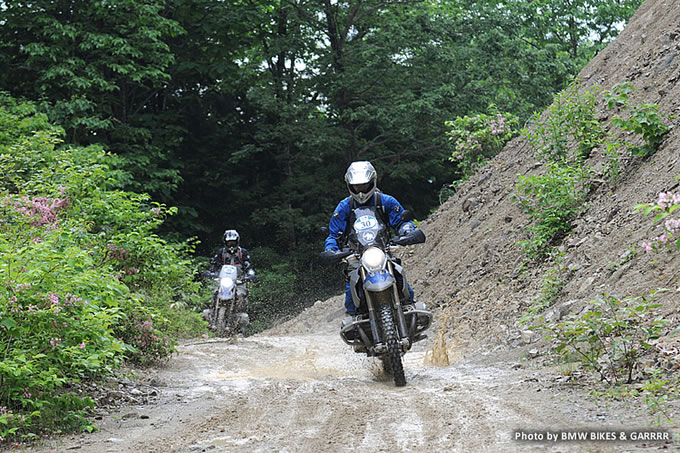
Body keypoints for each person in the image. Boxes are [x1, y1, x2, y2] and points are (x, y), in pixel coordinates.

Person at [324, 161, 415, 315]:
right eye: (356, 186)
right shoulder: (344, 207)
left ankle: (411, 308)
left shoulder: (385, 201)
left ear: (372, 182)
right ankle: (353, 318)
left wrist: (407, 231)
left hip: (383, 250)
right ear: (349, 185)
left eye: (364, 185)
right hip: (356, 255)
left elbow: (402, 221)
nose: (360, 190)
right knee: (352, 285)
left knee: (399, 275)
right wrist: (331, 249)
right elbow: (334, 235)